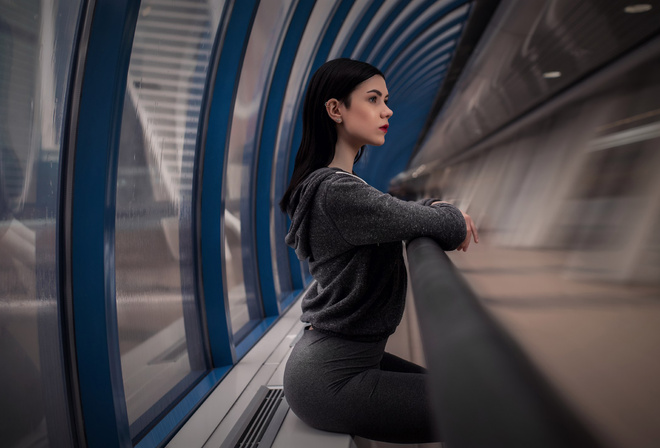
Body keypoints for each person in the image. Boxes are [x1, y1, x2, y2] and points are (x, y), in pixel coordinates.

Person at [279, 58, 478, 443]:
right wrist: (444, 211)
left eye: (385, 99)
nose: (386, 110)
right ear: (336, 109)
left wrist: (430, 209)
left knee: (471, 397)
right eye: (373, 99)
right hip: (332, 377)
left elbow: (401, 214)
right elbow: (445, 226)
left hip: (337, 362)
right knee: (478, 410)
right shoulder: (337, 191)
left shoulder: (338, 186)